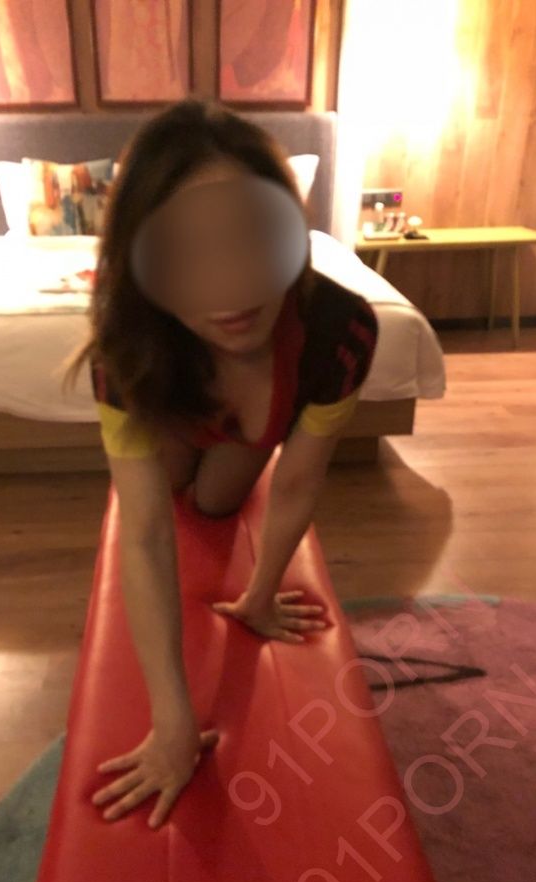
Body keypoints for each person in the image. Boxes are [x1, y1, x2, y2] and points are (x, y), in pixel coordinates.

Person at [61, 97, 379, 832]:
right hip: (174, 410)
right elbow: (145, 533)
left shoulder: (341, 331)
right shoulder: (124, 347)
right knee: (171, 490)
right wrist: (173, 722)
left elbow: (298, 480)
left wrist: (261, 594)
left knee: (214, 505)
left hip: (248, 430)